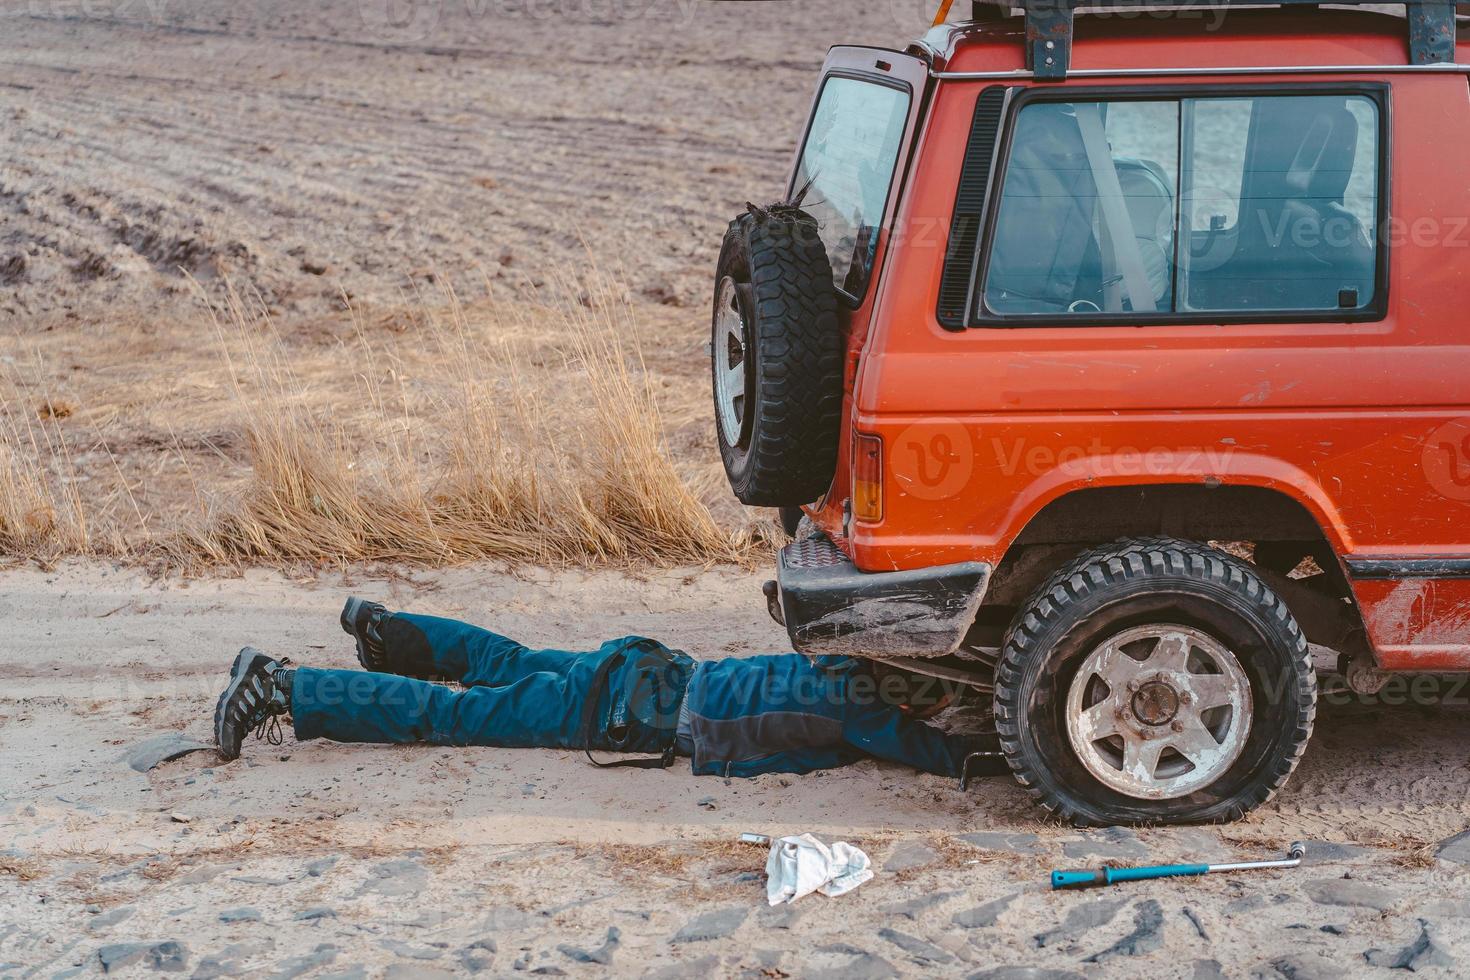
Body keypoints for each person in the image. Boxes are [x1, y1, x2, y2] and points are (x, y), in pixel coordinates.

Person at [213, 597, 1007, 781]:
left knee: (503, 657)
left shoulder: (834, 661)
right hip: (625, 711)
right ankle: (284, 687)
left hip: (640, 665)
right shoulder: (864, 708)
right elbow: (921, 748)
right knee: (450, 715)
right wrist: (984, 757)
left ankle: (389, 631)